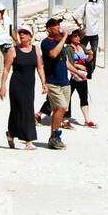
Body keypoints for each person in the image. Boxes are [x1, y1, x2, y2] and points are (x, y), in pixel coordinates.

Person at [0, 24, 44, 149]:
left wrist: (43, 83)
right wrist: (2, 87)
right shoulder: (13, 50)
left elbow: (40, 67)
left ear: (31, 36)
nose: (22, 35)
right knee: (23, 110)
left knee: (23, 109)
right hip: (17, 85)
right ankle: (28, 140)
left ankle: (11, 133)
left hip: (29, 84)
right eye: (21, 33)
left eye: (25, 33)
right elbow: (6, 70)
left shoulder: (36, 50)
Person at [41, 18, 73, 149]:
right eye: (55, 25)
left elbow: (64, 61)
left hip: (64, 81)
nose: (58, 27)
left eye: (59, 24)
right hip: (53, 82)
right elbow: (54, 54)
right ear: (49, 29)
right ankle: (55, 135)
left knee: (57, 110)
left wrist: (76, 71)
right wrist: (65, 37)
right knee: (62, 107)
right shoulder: (46, 43)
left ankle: (54, 137)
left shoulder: (60, 42)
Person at [70, 0, 104, 78]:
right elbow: (102, 0)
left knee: (81, 50)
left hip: (85, 32)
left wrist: (79, 25)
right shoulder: (99, 7)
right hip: (95, 33)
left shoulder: (84, 6)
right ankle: (91, 70)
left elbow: (74, 15)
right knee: (94, 52)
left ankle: (80, 66)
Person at [67, 29, 96, 127]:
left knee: (84, 96)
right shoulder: (69, 48)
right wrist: (78, 67)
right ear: (70, 38)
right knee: (67, 96)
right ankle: (65, 118)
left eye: (78, 35)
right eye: (75, 36)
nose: (78, 37)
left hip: (82, 75)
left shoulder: (82, 47)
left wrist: (91, 54)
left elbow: (87, 60)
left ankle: (87, 119)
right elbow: (69, 63)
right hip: (73, 75)